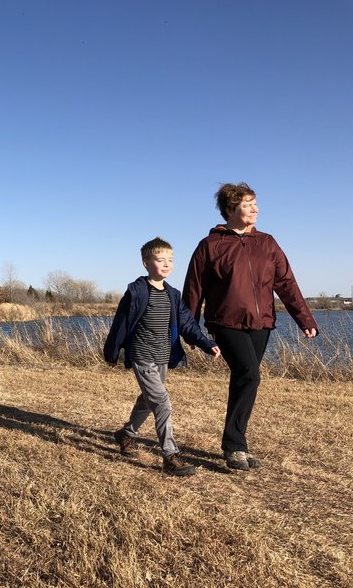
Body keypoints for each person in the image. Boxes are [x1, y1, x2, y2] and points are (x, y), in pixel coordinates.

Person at [183, 183, 318, 471]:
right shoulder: (210, 246)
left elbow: (286, 283)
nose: (255, 209)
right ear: (231, 209)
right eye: (247, 204)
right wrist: (189, 327)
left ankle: (236, 444)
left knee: (244, 379)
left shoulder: (267, 243)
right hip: (225, 322)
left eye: (255, 203)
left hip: (262, 323)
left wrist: (304, 319)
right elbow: (194, 288)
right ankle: (234, 446)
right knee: (249, 374)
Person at [104, 237, 221, 477]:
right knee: (162, 402)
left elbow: (188, 323)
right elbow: (121, 325)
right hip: (142, 355)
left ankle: (126, 434)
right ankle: (170, 456)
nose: (166, 264)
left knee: (148, 400)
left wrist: (206, 344)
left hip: (163, 356)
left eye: (170, 260)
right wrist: (112, 352)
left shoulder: (172, 294)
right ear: (146, 263)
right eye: (160, 260)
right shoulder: (136, 292)